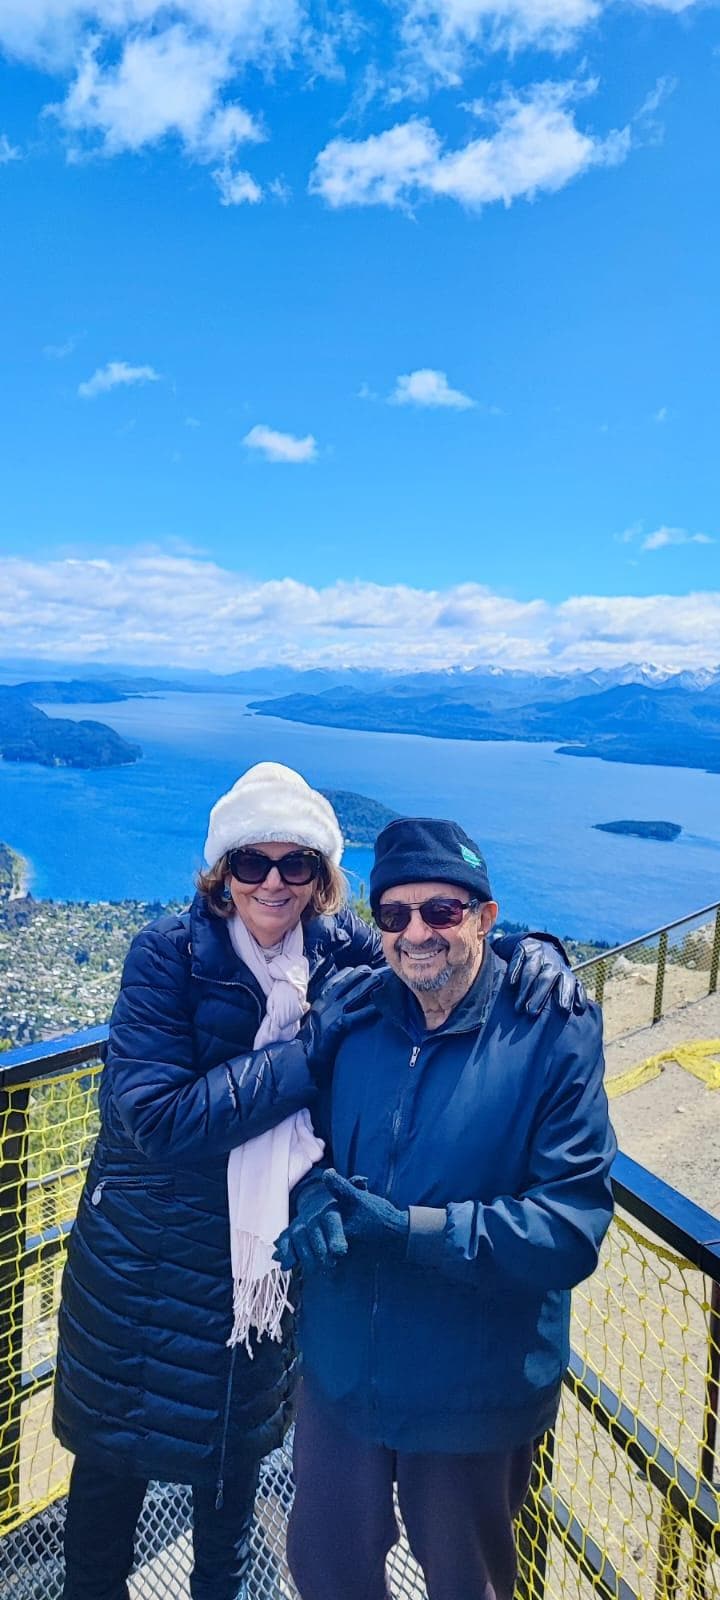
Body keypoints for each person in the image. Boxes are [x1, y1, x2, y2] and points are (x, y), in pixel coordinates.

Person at [54, 766, 585, 1600]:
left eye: (294, 863)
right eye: (250, 862)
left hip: (263, 1270)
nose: (272, 882)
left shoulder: (339, 951)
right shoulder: (168, 954)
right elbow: (155, 1119)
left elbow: (431, 942)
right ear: (221, 872)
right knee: (109, 1480)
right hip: (146, 1274)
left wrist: (534, 950)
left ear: (320, 875)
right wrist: (308, 1053)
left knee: (231, 1475)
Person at [276, 815, 616, 1600]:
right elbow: (301, 1147)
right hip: (341, 1377)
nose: (416, 933)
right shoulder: (354, 1017)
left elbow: (570, 1230)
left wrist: (411, 1233)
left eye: (442, 911)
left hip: (471, 1394)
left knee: (467, 1586)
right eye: (394, 914)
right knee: (324, 1572)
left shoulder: (551, 1031)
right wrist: (308, 1195)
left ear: (486, 917)